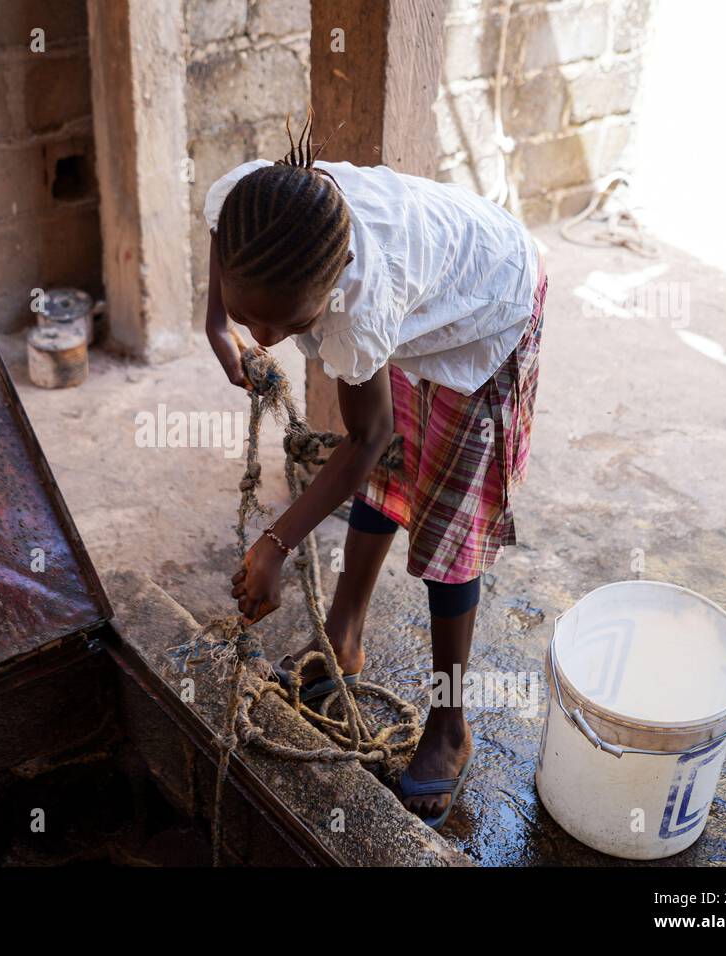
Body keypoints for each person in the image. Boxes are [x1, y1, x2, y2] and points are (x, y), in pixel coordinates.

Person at [207, 113, 548, 828]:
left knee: (448, 537)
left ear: (329, 291)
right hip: (426, 294)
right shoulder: (247, 202)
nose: (263, 340)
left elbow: (365, 439)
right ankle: (344, 637)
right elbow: (223, 244)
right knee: (395, 476)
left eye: (283, 325)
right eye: (251, 319)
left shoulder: (362, 311)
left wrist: (275, 544)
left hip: (489, 314)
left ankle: (451, 728)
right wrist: (218, 325)